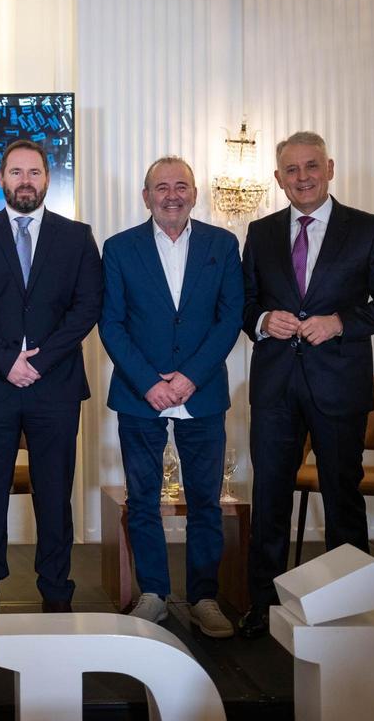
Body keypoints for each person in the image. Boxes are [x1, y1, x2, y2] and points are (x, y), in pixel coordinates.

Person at [238, 131, 374, 638]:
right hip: (274, 388)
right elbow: (245, 305)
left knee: (343, 501)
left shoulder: (368, 229)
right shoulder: (261, 231)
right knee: (269, 499)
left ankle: (347, 608)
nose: (302, 177)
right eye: (291, 170)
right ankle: (262, 607)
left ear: (330, 168)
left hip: (339, 386)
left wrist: (340, 322)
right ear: (277, 179)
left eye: (311, 166)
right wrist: (265, 318)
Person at [0, 139, 103, 635]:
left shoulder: (77, 237)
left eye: (34, 172)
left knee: (54, 494)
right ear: (1, 179)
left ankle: (56, 594)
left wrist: (39, 361)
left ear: (47, 179)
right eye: (15, 172)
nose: (25, 181)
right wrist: (5, 360)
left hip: (53, 385)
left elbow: (87, 307)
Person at [99, 156, 244, 638]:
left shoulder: (222, 245)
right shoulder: (119, 249)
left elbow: (230, 318)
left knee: (206, 501)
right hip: (140, 396)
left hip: (201, 395)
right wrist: (151, 382)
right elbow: (112, 323)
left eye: (181, 186)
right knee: (143, 502)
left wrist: (189, 378)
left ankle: (204, 597)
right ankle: (154, 595)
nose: (172, 195)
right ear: (146, 197)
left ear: (195, 193)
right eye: (161, 187)